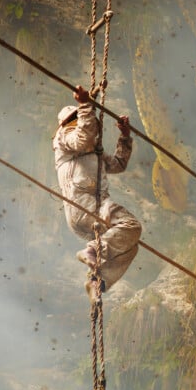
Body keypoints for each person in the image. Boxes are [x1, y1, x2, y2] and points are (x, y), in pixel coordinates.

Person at [53, 85, 141, 300]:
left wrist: (125, 136)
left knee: (129, 245)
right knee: (131, 225)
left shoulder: (93, 153)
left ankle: (98, 281)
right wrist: (84, 106)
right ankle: (92, 250)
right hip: (83, 208)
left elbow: (118, 164)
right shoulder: (64, 139)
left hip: (94, 211)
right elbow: (81, 139)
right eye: (84, 120)